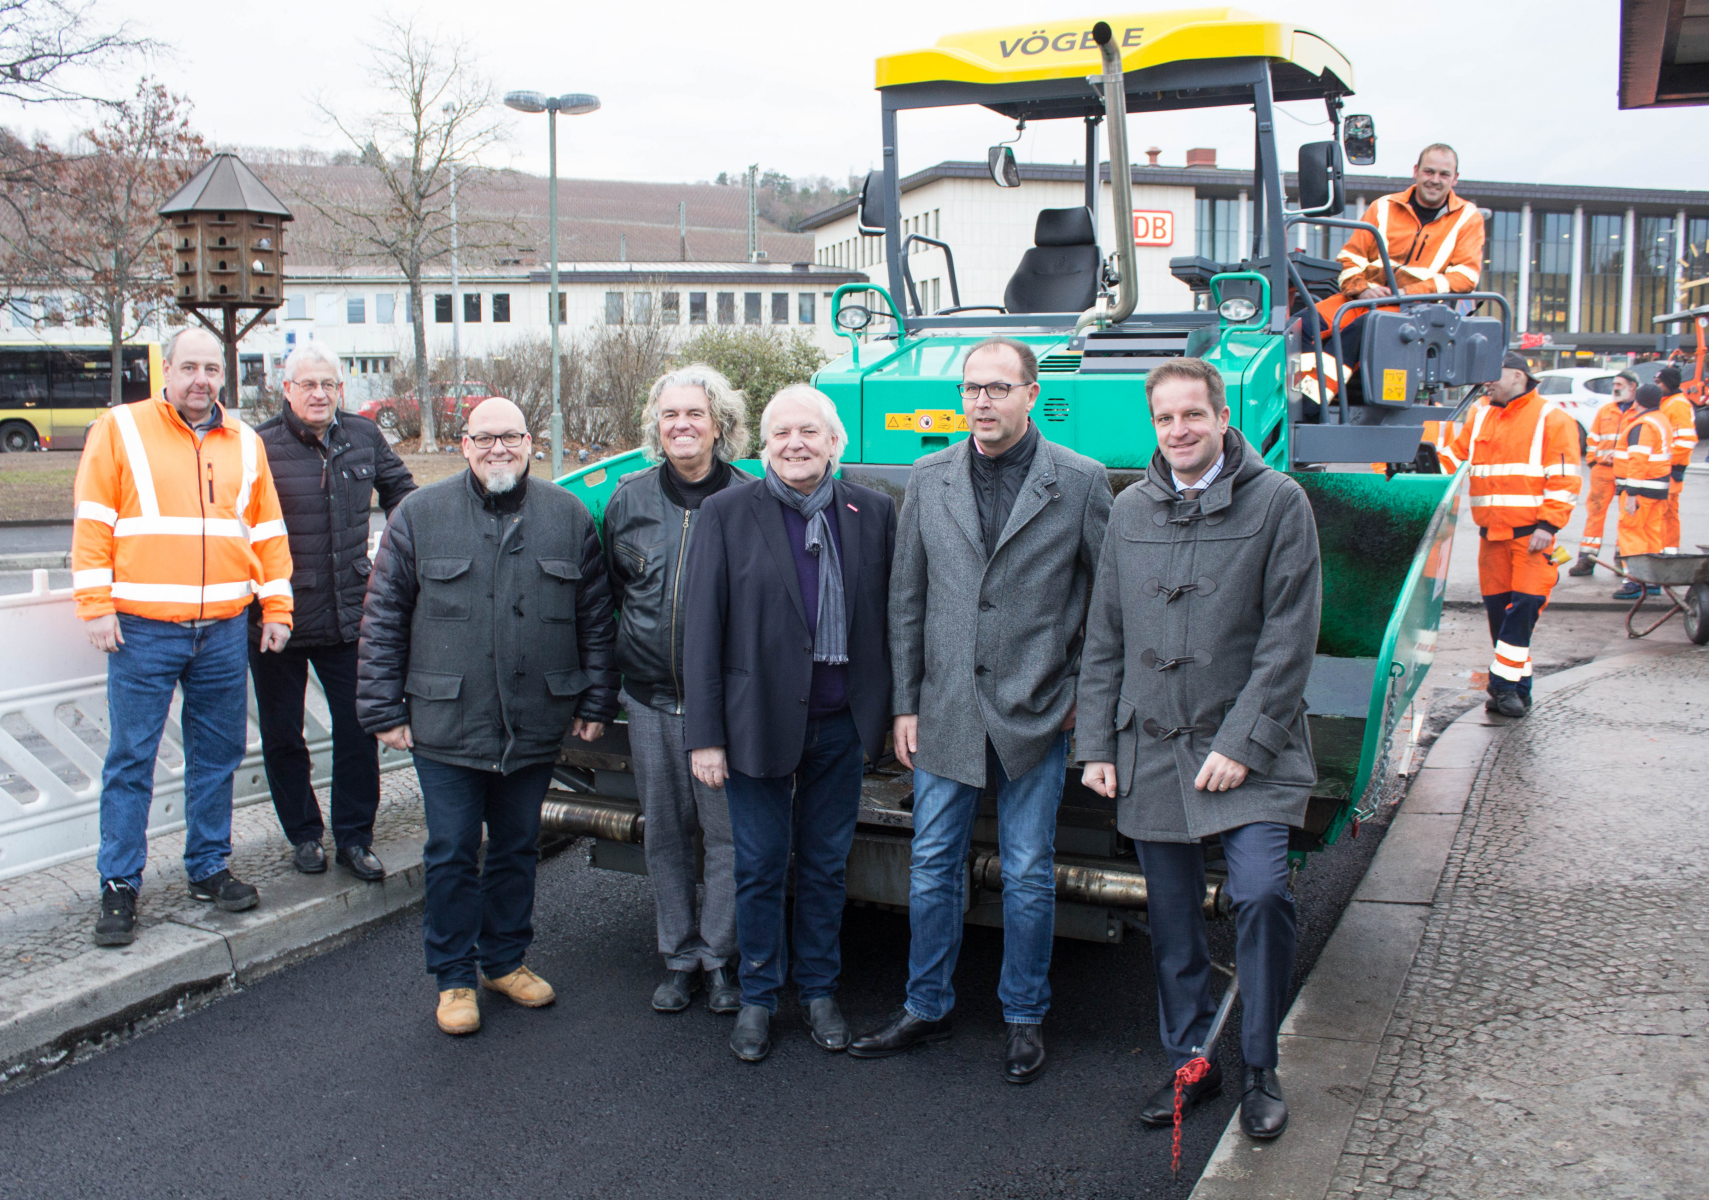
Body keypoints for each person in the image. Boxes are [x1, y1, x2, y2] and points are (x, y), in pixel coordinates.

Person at [849, 336, 1112, 1085]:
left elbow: (1107, 604)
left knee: (1028, 870)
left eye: (998, 388)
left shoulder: (1083, 481)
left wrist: (1079, 697)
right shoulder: (928, 477)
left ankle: (1023, 1015)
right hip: (946, 710)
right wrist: (906, 703)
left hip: (1037, 708)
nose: (982, 402)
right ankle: (924, 1007)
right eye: (971, 389)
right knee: (931, 864)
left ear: (1031, 393)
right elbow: (908, 600)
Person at [1076, 355, 1321, 1142]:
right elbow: (1104, 637)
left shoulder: (1280, 501)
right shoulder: (1129, 509)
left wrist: (1244, 742)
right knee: (1174, 920)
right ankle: (1191, 1060)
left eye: (1192, 415)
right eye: (1164, 419)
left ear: (1221, 418)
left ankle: (1259, 1065)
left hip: (1251, 748)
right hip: (1147, 747)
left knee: (1258, 894)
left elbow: (1289, 638)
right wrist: (1096, 745)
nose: (1178, 431)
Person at [356, 398, 617, 1036]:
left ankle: (505, 960)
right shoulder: (420, 514)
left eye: (511, 437)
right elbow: (384, 617)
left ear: (530, 442)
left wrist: (595, 700)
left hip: (534, 719)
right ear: (463, 443)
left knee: (518, 847)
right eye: (485, 437)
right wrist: (382, 709)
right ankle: (453, 977)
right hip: (446, 722)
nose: (499, 448)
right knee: (449, 850)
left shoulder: (567, 516)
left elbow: (595, 620)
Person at [683, 384, 895, 1064]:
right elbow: (701, 630)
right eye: (781, 434)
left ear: (836, 443)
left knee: (828, 866)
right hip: (753, 724)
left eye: (810, 431)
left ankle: (819, 990)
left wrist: (890, 716)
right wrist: (705, 735)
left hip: (839, 724)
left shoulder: (872, 512)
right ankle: (756, 996)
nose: (795, 444)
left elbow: (891, 622)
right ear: (763, 445)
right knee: (759, 865)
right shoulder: (725, 512)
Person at [73, 327, 294, 946]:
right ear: (165, 370)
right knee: (131, 760)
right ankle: (119, 885)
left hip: (224, 627)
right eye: (189, 367)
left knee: (217, 755)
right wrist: (95, 605)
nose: (202, 380)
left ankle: (207, 867)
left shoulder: (244, 442)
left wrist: (277, 608)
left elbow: (267, 533)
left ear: (224, 377)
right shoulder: (119, 430)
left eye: (212, 370)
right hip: (142, 629)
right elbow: (93, 521)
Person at [604, 365, 749, 1016]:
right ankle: (679, 957)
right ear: (655, 429)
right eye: (670, 416)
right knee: (664, 834)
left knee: (725, 841)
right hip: (649, 699)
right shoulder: (627, 500)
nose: (681, 425)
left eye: (694, 414)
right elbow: (604, 598)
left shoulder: (751, 502)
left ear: (720, 425)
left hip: (722, 709)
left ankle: (719, 960)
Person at [251, 345, 415, 879]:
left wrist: (401, 554)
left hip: (349, 613)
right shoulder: (258, 446)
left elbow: (403, 497)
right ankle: (303, 835)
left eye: (329, 384)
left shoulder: (362, 435)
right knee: (282, 732)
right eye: (308, 384)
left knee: (357, 727)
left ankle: (354, 836)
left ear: (340, 390)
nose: (320, 394)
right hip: (279, 615)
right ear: (287, 390)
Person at [1439, 353, 1582, 717]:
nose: (1486, 382)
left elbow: (1565, 480)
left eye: (1492, 375)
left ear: (1518, 376)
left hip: (1531, 537)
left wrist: (1548, 525)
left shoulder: (1552, 419)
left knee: (1523, 609)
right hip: (1492, 537)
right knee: (1500, 616)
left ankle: (1502, 688)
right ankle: (1520, 689)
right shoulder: (1481, 414)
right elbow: (1454, 460)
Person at [1306, 144, 1486, 402]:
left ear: (1455, 178)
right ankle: (1290, 398)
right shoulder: (1383, 207)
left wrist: (1405, 293)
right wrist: (1363, 289)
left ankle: (1312, 402)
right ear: (1416, 171)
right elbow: (1350, 257)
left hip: (1416, 310)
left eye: (1444, 174)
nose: (1435, 180)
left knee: (1360, 330)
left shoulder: (1468, 218)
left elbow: (1465, 276)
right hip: (1366, 298)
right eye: (1429, 171)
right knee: (1301, 323)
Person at [1568, 371, 1637, 575]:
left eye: (1619, 384)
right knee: (1595, 515)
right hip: (1602, 471)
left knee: (1627, 517)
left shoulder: (1639, 413)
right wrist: (1593, 461)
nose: (1614, 388)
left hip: (1627, 472)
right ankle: (1587, 560)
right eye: (1614, 384)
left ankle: (1622, 560)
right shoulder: (1606, 410)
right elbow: (1593, 438)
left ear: (1632, 387)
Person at [1611, 383, 1675, 597]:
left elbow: (1639, 461)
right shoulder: (1660, 420)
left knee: (1632, 533)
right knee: (1651, 534)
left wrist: (1631, 494)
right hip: (1656, 488)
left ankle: (1636, 582)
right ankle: (1652, 580)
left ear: (1637, 400)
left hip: (1641, 491)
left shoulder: (1643, 424)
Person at [1653, 365, 1699, 554]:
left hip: (1669, 470)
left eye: (1658, 382)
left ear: (1668, 383)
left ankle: (1667, 553)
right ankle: (1668, 551)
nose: (1655, 386)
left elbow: (1686, 442)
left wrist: (1661, 461)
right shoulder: (1669, 402)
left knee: (1665, 514)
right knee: (1666, 514)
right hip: (1668, 469)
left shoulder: (1677, 404)